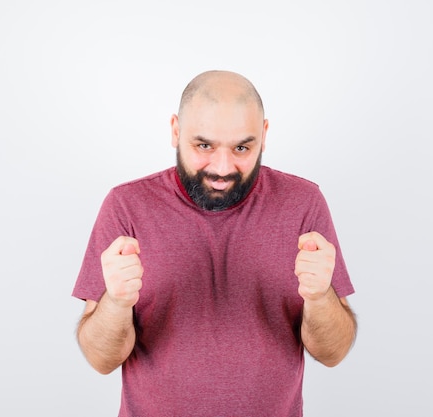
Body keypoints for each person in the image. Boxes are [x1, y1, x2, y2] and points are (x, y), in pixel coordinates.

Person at [72, 70, 357, 416]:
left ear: (264, 135)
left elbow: (334, 352)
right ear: (176, 131)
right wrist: (116, 303)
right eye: (203, 145)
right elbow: (101, 360)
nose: (222, 168)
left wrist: (319, 297)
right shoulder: (126, 206)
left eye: (241, 147)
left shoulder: (303, 203)